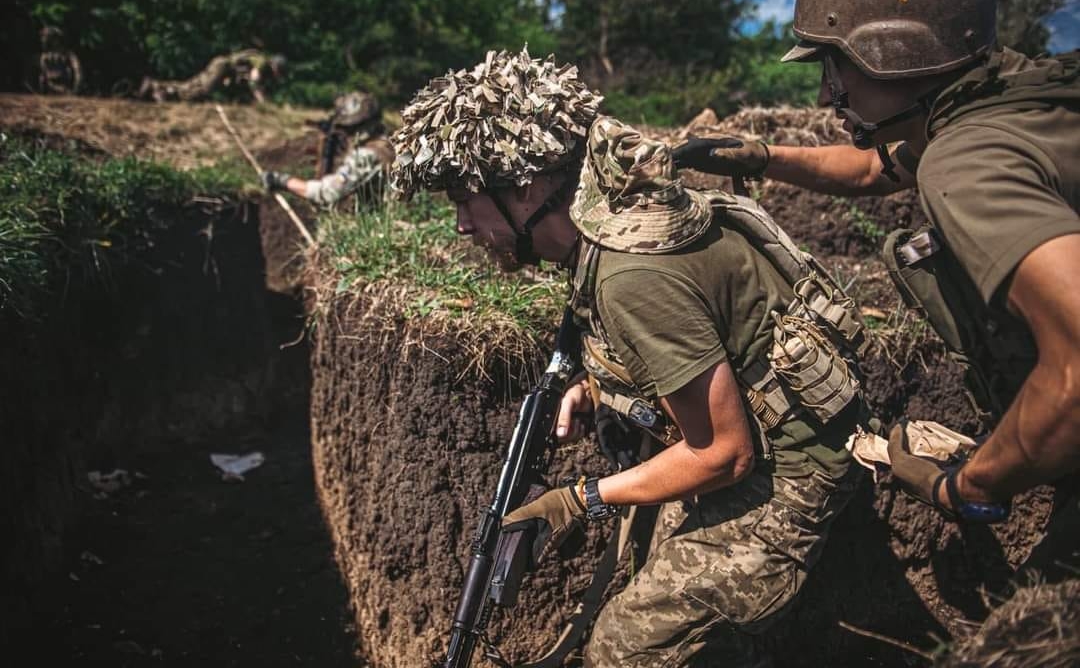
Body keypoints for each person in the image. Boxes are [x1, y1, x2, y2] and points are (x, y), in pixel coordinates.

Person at [392, 48, 873, 667]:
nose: (461, 225)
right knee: (651, 571)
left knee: (622, 649)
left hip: (790, 475)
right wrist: (596, 386)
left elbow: (723, 453)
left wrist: (582, 498)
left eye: (466, 200)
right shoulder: (612, 220)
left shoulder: (630, 276)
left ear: (527, 187)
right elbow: (696, 340)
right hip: (752, 444)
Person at [671, 0, 1080, 565]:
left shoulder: (968, 161)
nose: (825, 93)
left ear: (892, 53)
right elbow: (872, 170)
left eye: (835, 67)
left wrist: (966, 486)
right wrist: (763, 157)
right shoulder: (1014, 97)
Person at [261, 91, 393, 207]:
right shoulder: (388, 143)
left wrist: (283, 181)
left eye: (349, 129)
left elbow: (327, 192)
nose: (347, 134)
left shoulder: (367, 154)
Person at [137, 49, 286, 103]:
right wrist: (263, 102)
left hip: (223, 66)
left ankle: (160, 88)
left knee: (195, 84)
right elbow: (254, 80)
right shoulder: (262, 62)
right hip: (223, 66)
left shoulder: (258, 58)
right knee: (202, 89)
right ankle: (159, 88)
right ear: (274, 65)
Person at [38, 26, 82, 95]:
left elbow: (77, 72)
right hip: (49, 87)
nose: (43, 40)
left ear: (56, 39)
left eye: (47, 37)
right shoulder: (45, 56)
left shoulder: (68, 55)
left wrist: (75, 90)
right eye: (44, 37)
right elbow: (43, 73)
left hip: (65, 88)